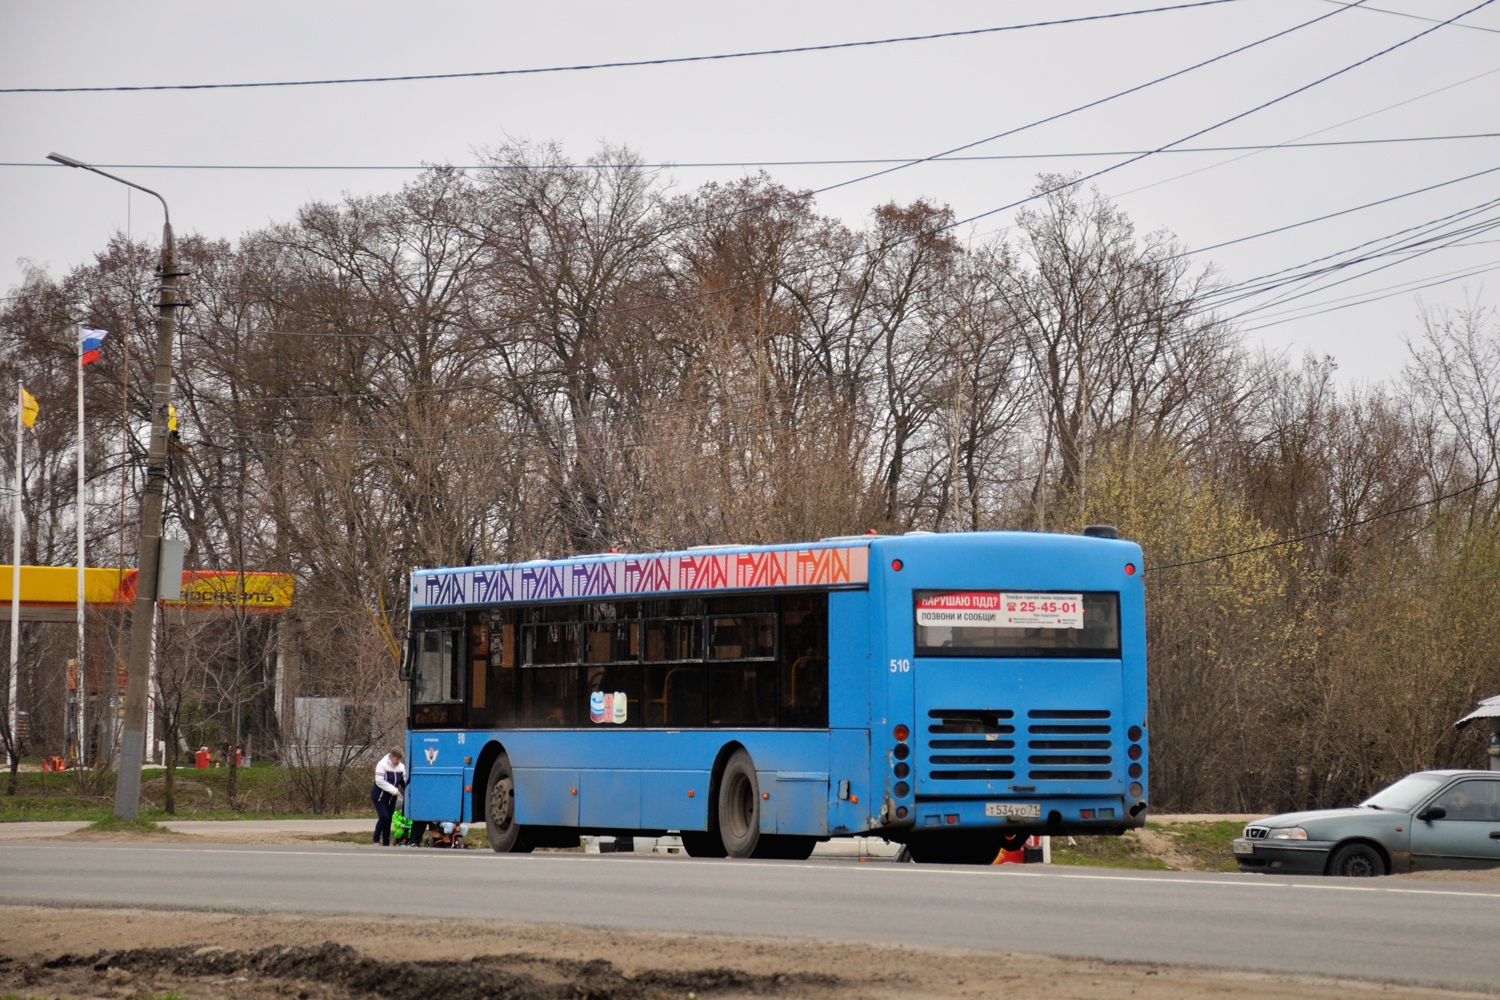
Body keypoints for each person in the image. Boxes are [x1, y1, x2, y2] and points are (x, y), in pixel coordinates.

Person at [370, 748, 406, 846]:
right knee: (384, 817)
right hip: (380, 796)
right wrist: (394, 791)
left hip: (392, 797)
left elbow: (404, 781)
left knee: (389, 818)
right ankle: (375, 839)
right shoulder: (382, 765)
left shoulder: (401, 767)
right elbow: (379, 781)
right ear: (392, 756)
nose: (398, 762)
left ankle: (386, 842)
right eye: (396, 759)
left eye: (399, 760)